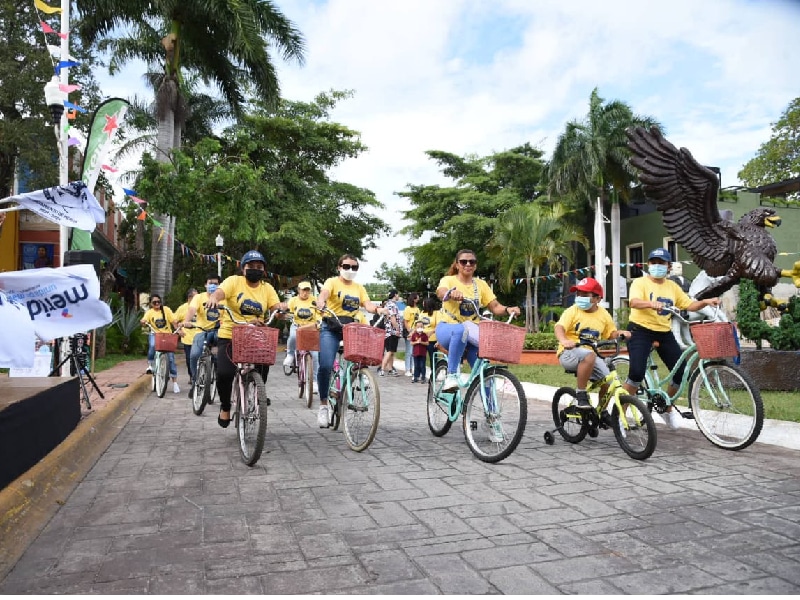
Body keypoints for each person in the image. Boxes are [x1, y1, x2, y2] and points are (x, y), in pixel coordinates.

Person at [622, 247, 720, 429]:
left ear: (668, 267)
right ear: (648, 265)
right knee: (636, 373)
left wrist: (706, 301)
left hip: (663, 332)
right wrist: (651, 303)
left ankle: (665, 409)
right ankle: (621, 415)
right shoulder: (640, 283)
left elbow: (689, 305)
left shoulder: (672, 287)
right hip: (640, 330)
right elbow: (633, 302)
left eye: (661, 263)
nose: (657, 266)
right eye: (654, 262)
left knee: (681, 372)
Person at [204, 250, 287, 428]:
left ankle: (258, 393)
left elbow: (274, 307)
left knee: (264, 364)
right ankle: (225, 407)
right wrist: (213, 298)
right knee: (224, 374)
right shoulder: (234, 282)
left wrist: (280, 310)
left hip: (256, 336)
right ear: (243, 268)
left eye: (259, 267)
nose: (255, 270)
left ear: (264, 270)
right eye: (251, 266)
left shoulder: (267, 288)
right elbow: (220, 292)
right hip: (230, 334)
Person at [315, 254, 386, 428]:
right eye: (346, 266)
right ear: (339, 267)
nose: (350, 270)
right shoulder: (331, 282)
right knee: (325, 365)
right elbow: (323, 294)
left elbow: (367, 304)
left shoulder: (359, 287)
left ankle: (355, 379)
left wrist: (378, 309)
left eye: (354, 267)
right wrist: (321, 302)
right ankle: (324, 405)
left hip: (351, 329)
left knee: (360, 358)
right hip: (331, 327)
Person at [435, 249, 521, 392]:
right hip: (447, 329)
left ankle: (492, 412)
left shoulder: (480, 285)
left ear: (475, 265)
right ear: (457, 265)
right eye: (463, 262)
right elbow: (440, 292)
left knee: (483, 374)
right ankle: (451, 375)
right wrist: (450, 293)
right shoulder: (449, 280)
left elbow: (495, 306)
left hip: (472, 334)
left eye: (472, 262)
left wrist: (507, 309)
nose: (468, 264)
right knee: (461, 329)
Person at [555, 277, 631, 409]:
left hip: (591, 355)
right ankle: (581, 394)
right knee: (589, 355)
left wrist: (620, 333)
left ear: (597, 299)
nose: (580, 297)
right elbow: (559, 327)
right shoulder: (572, 311)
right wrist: (564, 340)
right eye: (578, 294)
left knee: (610, 382)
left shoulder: (603, 314)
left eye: (585, 295)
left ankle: (601, 412)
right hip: (569, 353)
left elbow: (610, 333)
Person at [182, 274, 222, 398]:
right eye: (211, 283)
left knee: (223, 359)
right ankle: (195, 381)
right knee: (194, 355)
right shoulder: (198, 298)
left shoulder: (223, 298)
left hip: (219, 332)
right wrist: (187, 321)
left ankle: (222, 386)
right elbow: (191, 310)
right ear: (205, 284)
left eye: (216, 283)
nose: (213, 286)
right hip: (201, 331)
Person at [140, 294, 181, 394]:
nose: (157, 304)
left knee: (171, 359)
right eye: (154, 302)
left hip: (167, 336)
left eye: (159, 301)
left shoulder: (166, 310)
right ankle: (151, 364)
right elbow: (144, 320)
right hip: (155, 334)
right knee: (153, 345)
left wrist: (179, 330)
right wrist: (143, 322)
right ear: (151, 304)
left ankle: (175, 383)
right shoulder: (149, 312)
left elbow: (174, 321)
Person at [283, 280, 320, 384]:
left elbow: (319, 314)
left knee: (315, 355)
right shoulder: (293, 300)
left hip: (311, 328)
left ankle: (315, 381)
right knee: (293, 336)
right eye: (304, 290)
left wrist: (318, 320)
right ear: (299, 290)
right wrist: (286, 315)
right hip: (297, 325)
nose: (306, 293)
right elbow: (288, 312)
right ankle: (290, 354)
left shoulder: (314, 300)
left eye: (308, 290)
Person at [173, 287, 198, 385]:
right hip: (187, 339)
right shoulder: (183, 308)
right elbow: (174, 321)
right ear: (189, 297)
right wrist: (179, 331)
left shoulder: (201, 306)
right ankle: (192, 376)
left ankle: (200, 375)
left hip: (200, 337)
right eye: (196, 297)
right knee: (189, 358)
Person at [379, 289, 402, 377]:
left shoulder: (388, 304)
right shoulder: (392, 305)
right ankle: (382, 369)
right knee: (389, 351)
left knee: (391, 351)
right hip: (392, 331)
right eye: (397, 294)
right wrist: (397, 329)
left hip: (388, 331)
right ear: (395, 295)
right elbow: (393, 318)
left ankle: (390, 368)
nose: (398, 296)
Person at [420, 295, 440, 374]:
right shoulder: (422, 313)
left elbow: (439, 325)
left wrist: (431, 332)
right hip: (422, 338)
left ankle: (434, 373)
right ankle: (422, 373)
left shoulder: (436, 313)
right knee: (421, 357)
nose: (423, 305)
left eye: (424, 303)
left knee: (433, 357)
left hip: (432, 339)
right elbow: (418, 323)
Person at [402, 292, 421, 376]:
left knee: (414, 351)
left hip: (416, 331)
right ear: (414, 299)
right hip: (409, 331)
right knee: (409, 351)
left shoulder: (417, 309)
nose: (419, 298)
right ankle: (407, 369)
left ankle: (412, 368)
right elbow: (405, 321)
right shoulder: (408, 309)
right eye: (417, 297)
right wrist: (410, 330)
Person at [408, 319, 429, 383]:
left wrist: (421, 342)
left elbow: (427, 343)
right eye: (418, 327)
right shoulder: (414, 335)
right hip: (416, 353)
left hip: (423, 353)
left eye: (421, 327)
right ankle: (416, 377)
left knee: (422, 365)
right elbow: (411, 343)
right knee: (416, 365)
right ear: (415, 327)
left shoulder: (425, 335)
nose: (420, 328)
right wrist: (416, 342)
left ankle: (423, 377)